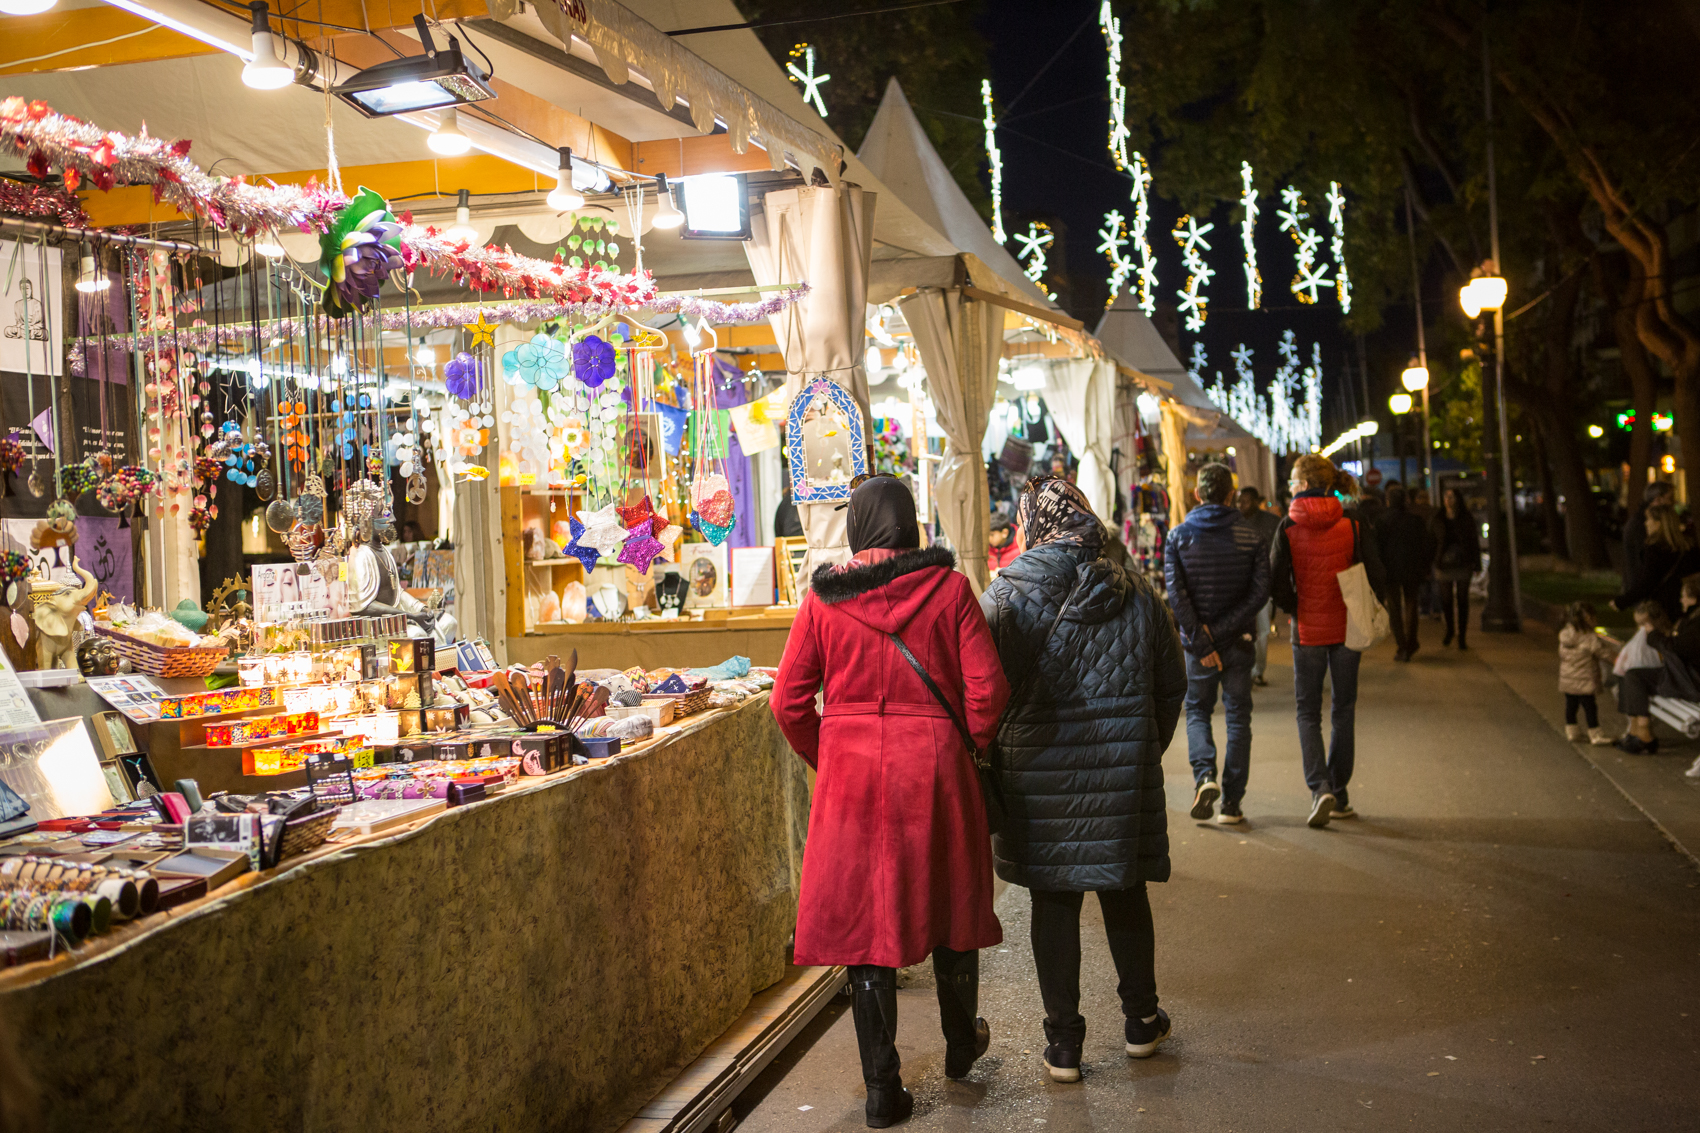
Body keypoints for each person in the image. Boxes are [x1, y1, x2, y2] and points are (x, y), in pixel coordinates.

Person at [771, 475, 1009, 1128]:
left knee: (865, 923)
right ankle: (962, 1046)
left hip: (851, 773)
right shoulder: (949, 588)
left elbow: (788, 700)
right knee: (950, 902)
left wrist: (835, 754)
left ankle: (883, 1089)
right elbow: (988, 688)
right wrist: (966, 746)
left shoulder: (824, 597)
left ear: (858, 528)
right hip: (935, 768)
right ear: (909, 525)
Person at [980, 477, 1186, 1083]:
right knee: (1124, 889)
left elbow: (983, 692)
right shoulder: (1138, 592)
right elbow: (1171, 686)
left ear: (1032, 524)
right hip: (1121, 776)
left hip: (1035, 780)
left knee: (1054, 899)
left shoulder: (1005, 595)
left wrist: (998, 756)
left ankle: (1064, 1044)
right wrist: (1140, 749)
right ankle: (1142, 1022)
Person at [1271, 454, 1386, 828]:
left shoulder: (1287, 525)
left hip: (1306, 631)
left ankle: (1320, 788)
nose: (1289, 487)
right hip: (1347, 629)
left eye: (1292, 481)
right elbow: (1376, 571)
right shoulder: (1351, 522)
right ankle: (1340, 790)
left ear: (1303, 485)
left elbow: (1275, 580)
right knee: (1343, 708)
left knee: (1308, 711)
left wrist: (1294, 607)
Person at [1165, 463, 1270, 824]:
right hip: (1239, 642)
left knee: (1197, 711)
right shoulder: (1252, 536)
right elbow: (1259, 594)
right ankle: (1232, 804)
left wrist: (1201, 638)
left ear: (1198, 494)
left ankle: (1205, 777)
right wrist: (1223, 631)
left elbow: (1175, 596)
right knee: (1239, 717)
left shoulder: (1178, 536)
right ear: (1231, 495)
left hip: (1198, 648)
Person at [1375, 486, 1434, 662]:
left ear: (1388, 501)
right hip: (1412, 568)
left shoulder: (1381, 521)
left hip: (1390, 570)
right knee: (1411, 604)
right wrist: (1425, 566)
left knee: (1394, 607)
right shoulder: (1415, 520)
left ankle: (1401, 645)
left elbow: (1378, 548)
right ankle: (1411, 641)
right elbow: (1426, 544)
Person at [1612, 502, 1699, 620]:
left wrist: (1621, 602)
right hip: (1686, 605)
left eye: (1649, 519)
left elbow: (1647, 583)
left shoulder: (1655, 550)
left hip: (1662, 610)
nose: (1646, 523)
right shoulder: (1689, 548)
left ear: (1658, 524)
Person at [1237, 486, 1282, 685]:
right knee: (1243, 631)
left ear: (1256, 501)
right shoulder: (1233, 522)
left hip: (1263, 584)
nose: (1241, 505)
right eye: (1239, 501)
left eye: (1245, 501)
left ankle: (1257, 670)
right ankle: (1247, 669)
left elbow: (1278, 555)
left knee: (1262, 630)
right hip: (1239, 586)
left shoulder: (1272, 523)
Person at [1557, 601, 1615, 745]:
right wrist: (1619, 660)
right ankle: (1595, 734)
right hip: (1585, 680)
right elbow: (1604, 653)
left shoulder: (1565, 636)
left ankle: (1572, 732)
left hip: (1568, 679)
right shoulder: (1589, 638)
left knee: (1571, 706)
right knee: (1590, 707)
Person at [1429, 488, 1481, 649]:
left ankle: (1462, 636)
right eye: (1446, 496)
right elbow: (1431, 540)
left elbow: (1473, 540)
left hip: (1462, 562)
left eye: (1451, 497)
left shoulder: (1466, 518)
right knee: (1446, 600)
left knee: (1462, 599)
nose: (1448, 500)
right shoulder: (1438, 518)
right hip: (1443, 563)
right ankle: (1450, 630)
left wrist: (1476, 563)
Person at [1623, 480, 1675, 585]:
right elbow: (1643, 561)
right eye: (1670, 498)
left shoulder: (1640, 520)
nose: (1673, 502)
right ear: (1658, 499)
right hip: (1641, 587)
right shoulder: (1642, 524)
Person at [988, 503, 1020, 572]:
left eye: (992, 535)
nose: (989, 538)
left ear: (1004, 533)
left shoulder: (1020, 548)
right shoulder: (987, 549)